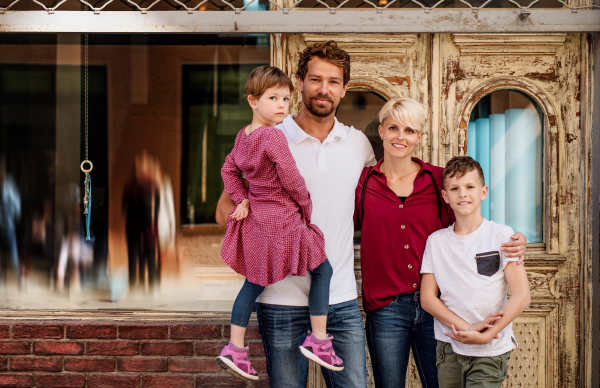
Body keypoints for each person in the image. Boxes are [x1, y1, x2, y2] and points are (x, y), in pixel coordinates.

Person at [216, 41, 375, 388]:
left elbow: (387, 194)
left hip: (342, 300)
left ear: (345, 89)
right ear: (299, 82)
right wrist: (253, 219)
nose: (324, 89)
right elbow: (223, 209)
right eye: (315, 79)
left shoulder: (359, 145)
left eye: (333, 81)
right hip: (281, 300)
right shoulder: (270, 135)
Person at [355, 98, 528, 388]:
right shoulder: (364, 183)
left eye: (409, 130)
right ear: (381, 132)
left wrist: (516, 239)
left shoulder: (438, 180)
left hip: (440, 306)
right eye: (393, 128)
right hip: (386, 307)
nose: (401, 136)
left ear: (419, 137)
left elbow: (468, 222)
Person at [420, 156, 531, 388]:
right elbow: (428, 298)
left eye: (470, 187)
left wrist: (488, 334)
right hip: (449, 348)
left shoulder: (501, 235)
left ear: (483, 191)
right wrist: (467, 328)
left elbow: (521, 296)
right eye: (454, 188)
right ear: (445, 196)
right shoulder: (436, 242)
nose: (462, 194)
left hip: (491, 349)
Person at [0, 155, 21, 286]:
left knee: (13, 252)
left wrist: (14, 215)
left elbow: (17, 202)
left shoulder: (9, 183)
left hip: (8, 224)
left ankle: (18, 276)